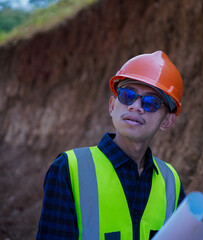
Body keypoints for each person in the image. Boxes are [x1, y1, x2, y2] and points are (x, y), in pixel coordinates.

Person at [36, 51, 186, 240]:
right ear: (112, 105)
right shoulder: (69, 169)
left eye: (151, 102)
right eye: (127, 95)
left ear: (167, 121)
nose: (135, 106)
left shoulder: (171, 181)